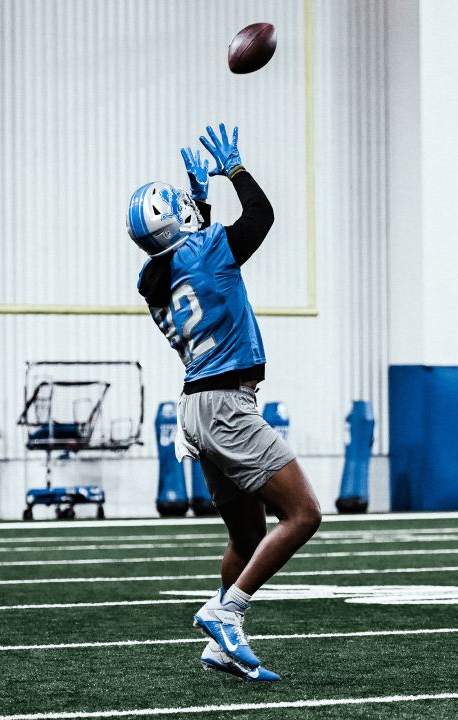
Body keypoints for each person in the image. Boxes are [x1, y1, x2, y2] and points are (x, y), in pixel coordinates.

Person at [129, 124, 322, 682]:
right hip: (227, 406)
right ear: (177, 219)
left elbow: (198, 258)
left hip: (195, 408)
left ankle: (221, 647)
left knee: (246, 536)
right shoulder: (205, 253)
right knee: (304, 514)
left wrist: (200, 201)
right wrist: (233, 170)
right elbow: (259, 220)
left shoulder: (151, 277)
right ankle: (227, 610)